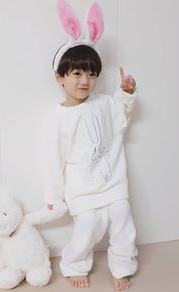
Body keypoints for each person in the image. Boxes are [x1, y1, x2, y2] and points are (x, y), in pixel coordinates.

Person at [43, 1, 138, 290]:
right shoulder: (59, 117)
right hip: (83, 188)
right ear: (59, 77)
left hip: (114, 181)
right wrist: (54, 194)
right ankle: (74, 264)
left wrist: (125, 93)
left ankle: (122, 265)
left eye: (92, 74)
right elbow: (53, 158)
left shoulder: (104, 103)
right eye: (76, 74)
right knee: (88, 228)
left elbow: (120, 120)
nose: (85, 80)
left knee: (123, 223)